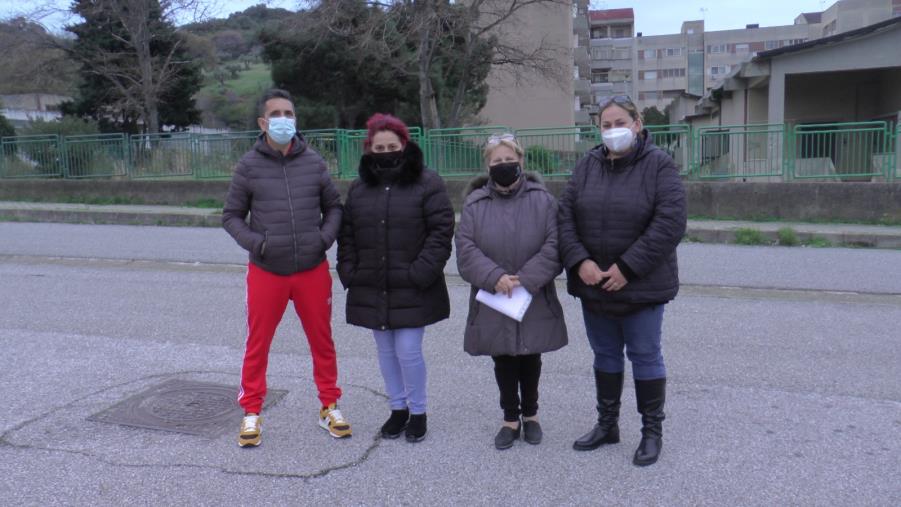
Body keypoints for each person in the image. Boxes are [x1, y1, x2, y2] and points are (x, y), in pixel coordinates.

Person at [558, 95, 686, 466]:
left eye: (619, 122)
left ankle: (651, 432)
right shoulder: (586, 166)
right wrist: (579, 261)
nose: (613, 130)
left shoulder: (659, 166)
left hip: (640, 285)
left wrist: (627, 268)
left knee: (645, 356)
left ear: (637, 123)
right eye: (605, 125)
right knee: (605, 354)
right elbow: (564, 217)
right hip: (593, 284)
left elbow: (669, 223)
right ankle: (607, 424)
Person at [223, 89, 351, 447]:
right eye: (276, 114)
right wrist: (258, 243)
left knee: (322, 341)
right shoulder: (248, 166)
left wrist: (323, 239)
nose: (284, 120)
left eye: (289, 113)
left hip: (311, 269)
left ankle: (330, 405)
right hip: (267, 270)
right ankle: (251, 411)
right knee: (258, 343)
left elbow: (335, 207)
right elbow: (231, 216)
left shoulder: (314, 162)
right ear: (263, 123)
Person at [337, 113, 454, 443]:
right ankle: (397, 408)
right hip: (372, 285)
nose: (386, 151)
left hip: (414, 284)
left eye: (392, 145)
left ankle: (418, 412)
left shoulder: (427, 182)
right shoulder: (359, 188)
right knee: (385, 351)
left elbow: (441, 230)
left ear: (404, 145)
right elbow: (347, 234)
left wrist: (421, 272)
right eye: (379, 146)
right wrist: (350, 271)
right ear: (369, 149)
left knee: (408, 350)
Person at [455, 133, 567, 450]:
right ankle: (509, 418)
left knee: (531, 355)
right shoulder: (475, 204)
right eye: (496, 161)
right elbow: (465, 249)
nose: (503, 166)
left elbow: (554, 245)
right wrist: (494, 277)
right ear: (487, 166)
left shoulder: (543, 200)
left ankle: (531, 415)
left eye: (509, 160)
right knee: (502, 358)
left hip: (532, 294)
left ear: (520, 161)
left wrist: (526, 278)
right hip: (494, 296)